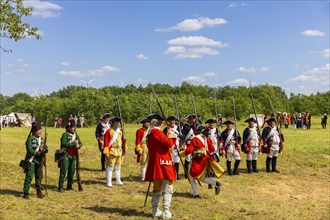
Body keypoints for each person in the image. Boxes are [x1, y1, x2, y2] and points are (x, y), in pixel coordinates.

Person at [145, 113, 177, 219]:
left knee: (157, 187)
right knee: (168, 186)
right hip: (163, 162)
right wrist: (172, 135)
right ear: (160, 123)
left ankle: (155, 210)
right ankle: (166, 211)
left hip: (156, 162)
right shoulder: (157, 133)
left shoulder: (150, 133)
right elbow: (168, 144)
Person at [180, 124, 224, 198]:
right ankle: (215, 183)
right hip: (205, 159)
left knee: (191, 176)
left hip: (198, 160)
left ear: (195, 130)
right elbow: (212, 149)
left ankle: (196, 194)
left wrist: (180, 154)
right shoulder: (206, 138)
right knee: (201, 177)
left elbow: (189, 150)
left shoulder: (194, 139)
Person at [22, 121, 48, 199]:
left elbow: (45, 146)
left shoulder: (42, 139)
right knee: (29, 177)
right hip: (32, 161)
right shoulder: (30, 139)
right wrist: (40, 154)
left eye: (40, 129)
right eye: (38, 130)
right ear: (34, 131)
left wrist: (46, 150)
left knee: (39, 177)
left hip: (39, 161)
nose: (40, 131)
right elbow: (30, 151)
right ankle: (26, 193)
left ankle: (38, 191)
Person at [58, 118, 83, 192]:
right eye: (72, 127)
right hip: (66, 155)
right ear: (68, 127)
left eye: (74, 127)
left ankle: (69, 185)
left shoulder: (75, 135)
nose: (74, 128)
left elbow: (80, 143)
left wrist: (79, 146)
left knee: (72, 171)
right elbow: (64, 143)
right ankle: (60, 186)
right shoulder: (65, 134)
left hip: (73, 155)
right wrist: (73, 144)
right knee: (63, 171)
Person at [103, 116, 127, 187]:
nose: (118, 124)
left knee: (118, 166)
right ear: (113, 123)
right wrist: (106, 152)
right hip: (112, 150)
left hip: (119, 150)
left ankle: (118, 180)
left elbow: (123, 141)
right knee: (110, 167)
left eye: (118, 122)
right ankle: (109, 182)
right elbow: (106, 143)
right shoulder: (108, 131)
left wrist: (125, 149)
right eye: (116, 122)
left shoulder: (121, 131)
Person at [163, 116, 181, 180]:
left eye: (173, 120)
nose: (172, 121)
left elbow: (181, 137)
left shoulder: (178, 128)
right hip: (170, 147)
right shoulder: (166, 129)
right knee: (171, 162)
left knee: (177, 161)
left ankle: (176, 175)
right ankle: (171, 175)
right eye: (171, 120)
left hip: (177, 146)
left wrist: (180, 145)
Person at [135, 117, 150, 181]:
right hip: (143, 147)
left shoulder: (150, 131)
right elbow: (137, 141)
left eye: (148, 123)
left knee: (150, 162)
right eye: (146, 123)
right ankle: (143, 177)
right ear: (143, 124)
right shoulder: (139, 131)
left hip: (149, 147)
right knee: (143, 163)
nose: (147, 124)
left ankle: (149, 176)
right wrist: (139, 149)